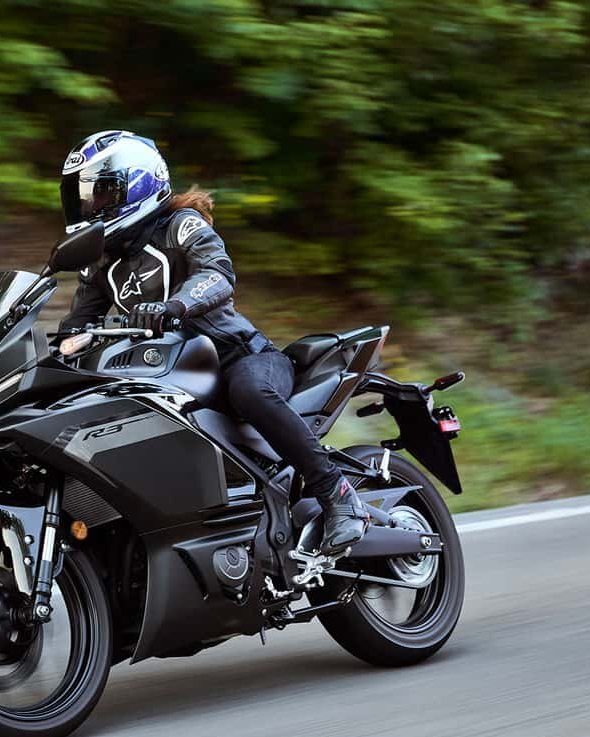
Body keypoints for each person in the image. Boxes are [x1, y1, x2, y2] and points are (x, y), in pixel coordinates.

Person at [55, 130, 368, 557]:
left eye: (102, 193)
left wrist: (174, 306)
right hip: (164, 372)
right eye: (83, 197)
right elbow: (77, 325)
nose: (91, 205)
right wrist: (57, 350)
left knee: (250, 392)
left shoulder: (180, 226)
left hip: (238, 357)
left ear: (138, 184)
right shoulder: (99, 263)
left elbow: (217, 275)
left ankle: (337, 493)